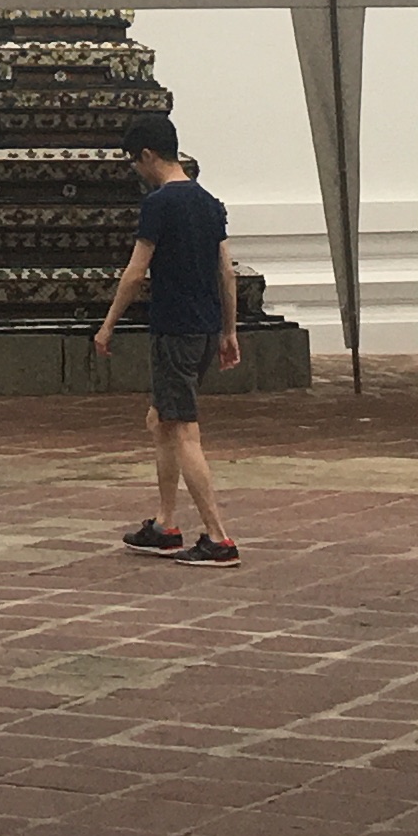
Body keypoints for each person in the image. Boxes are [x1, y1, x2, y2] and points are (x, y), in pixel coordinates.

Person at [82, 118, 239, 562]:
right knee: (161, 419)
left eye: (136, 161)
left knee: (185, 429)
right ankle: (165, 522)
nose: (137, 169)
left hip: (174, 327)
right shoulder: (210, 203)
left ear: (148, 155)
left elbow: (136, 272)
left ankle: (218, 535)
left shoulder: (159, 205)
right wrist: (229, 329)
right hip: (206, 326)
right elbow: (225, 272)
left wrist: (108, 323)